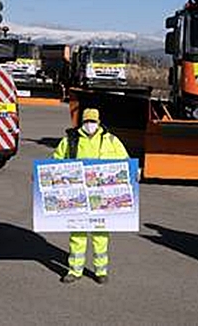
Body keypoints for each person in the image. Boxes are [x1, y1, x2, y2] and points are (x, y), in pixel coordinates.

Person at [52, 108, 129, 285]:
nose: (90, 125)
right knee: (77, 234)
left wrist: (134, 174)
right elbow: (55, 161)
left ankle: (101, 271)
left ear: (99, 122)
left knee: (100, 234)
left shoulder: (111, 140)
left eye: (93, 121)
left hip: (102, 198)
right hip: (77, 196)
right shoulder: (70, 140)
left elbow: (125, 162)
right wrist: (42, 176)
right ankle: (74, 271)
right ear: (82, 122)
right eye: (87, 121)